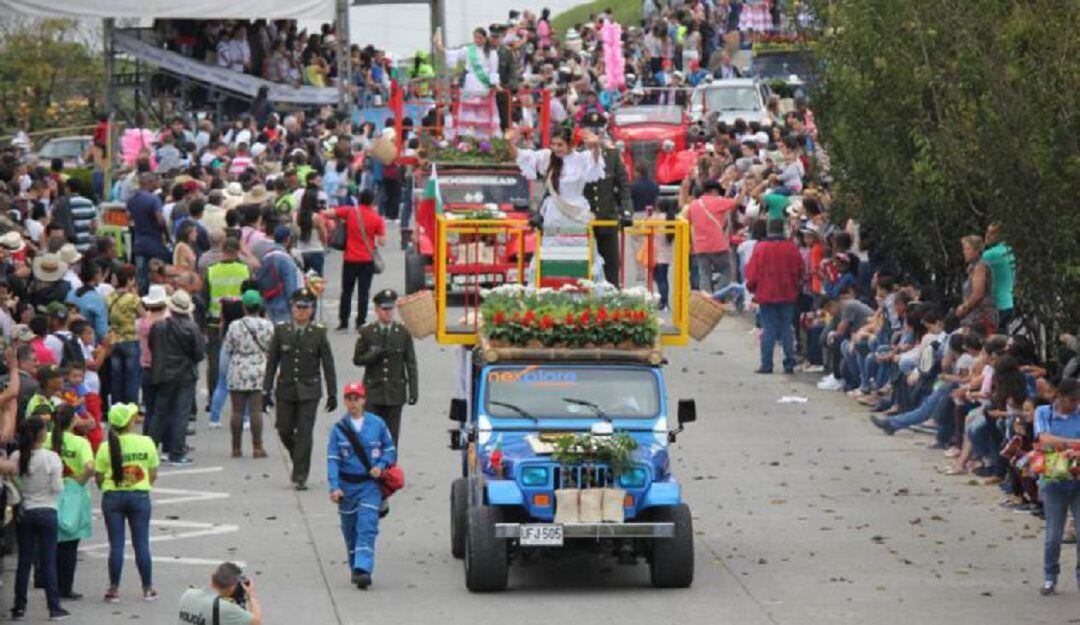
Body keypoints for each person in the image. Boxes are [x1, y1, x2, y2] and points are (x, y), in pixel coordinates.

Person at [506, 125, 604, 284]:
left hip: (576, 214)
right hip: (554, 212)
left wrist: (596, 145)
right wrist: (510, 143)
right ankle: (552, 287)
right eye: (553, 144)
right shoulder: (547, 157)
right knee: (552, 253)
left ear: (571, 144)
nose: (555, 148)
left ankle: (581, 288)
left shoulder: (581, 159)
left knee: (579, 255)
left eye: (560, 145)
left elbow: (595, 161)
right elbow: (522, 156)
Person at [264, 288, 337, 490]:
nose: (302, 311)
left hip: (309, 389)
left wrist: (332, 393)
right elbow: (272, 363)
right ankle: (299, 457)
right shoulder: (282, 331)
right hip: (286, 388)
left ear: (312, 309)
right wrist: (265, 390)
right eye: (298, 307)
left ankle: (300, 474)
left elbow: (328, 364)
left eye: (306, 307)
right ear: (292, 307)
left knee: (305, 432)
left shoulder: (318, 332)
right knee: (284, 429)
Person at [327, 382, 396, 589]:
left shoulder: (378, 424)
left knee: (367, 526)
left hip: (370, 486)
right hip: (347, 488)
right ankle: (355, 566)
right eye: (349, 398)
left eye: (357, 398)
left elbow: (390, 450)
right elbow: (333, 460)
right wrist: (334, 487)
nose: (353, 403)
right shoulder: (338, 430)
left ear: (364, 400)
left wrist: (381, 465)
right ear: (345, 401)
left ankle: (363, 569)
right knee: (350, 531)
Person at [1, 416, 69, 620]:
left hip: (26, 511)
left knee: (24, 561)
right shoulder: (51, 458)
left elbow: (13, 478)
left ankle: (19, 607)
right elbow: (57, 487)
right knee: (48, 562)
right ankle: (54, 607)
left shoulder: (16, 456)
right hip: (48, 511)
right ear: (42, 434)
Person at [95, 403, 158, 603]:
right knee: (141, 544)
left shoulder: (106, 447)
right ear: (130, 421)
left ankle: (113, 588)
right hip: (139, 495)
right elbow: (153, 472)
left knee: (116, 545)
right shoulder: (146, 442)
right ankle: (147, 588)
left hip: (113, 496)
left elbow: (99, 476)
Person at [353, 290, 418, 447]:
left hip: (395, 392)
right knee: (371, 436)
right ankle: (372, 469)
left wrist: (413, 391)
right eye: (384, 309)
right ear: (376, 309)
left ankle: (389, 470)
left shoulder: (402, 332)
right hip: (373, 392)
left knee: (391, 437)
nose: (388, 313)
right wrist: (373, 354)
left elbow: (410, 363)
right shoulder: (367, 331)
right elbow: (357, 359)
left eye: (391, 308)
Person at [1033, 378, 1080, 596]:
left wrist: (1062, 445)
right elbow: (1043, 440)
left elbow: (1052, 441)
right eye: (1072, 399)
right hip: (1053, 480)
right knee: (1053, 535)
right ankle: (1050, 576)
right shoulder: (1043, 412)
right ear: (1060, 396)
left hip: (1076, 478)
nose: (1075, 403)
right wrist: (1072, 443)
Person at [149, 290, 206, 466]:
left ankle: (149, 451)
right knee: (181, 413)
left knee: (159, 413)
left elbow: (153, 347)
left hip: (163, 373)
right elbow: (198, 354)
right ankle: (177, 452)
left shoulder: (158, 326)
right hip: (185, 374)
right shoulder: (192, 328)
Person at [45, 404, 94, 601]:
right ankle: (66, 587)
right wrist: (78, 481)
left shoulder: (48, 439)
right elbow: (90, 467)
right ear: (73, 420)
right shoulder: (80, 443)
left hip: (49, 492)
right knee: (70, 545)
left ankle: (51, 584)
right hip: (73, 495)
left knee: (51, 544)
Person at [745, 219, 804, 374]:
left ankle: (767, 364)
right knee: (786, 327)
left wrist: (752, 289)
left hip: (766, 292)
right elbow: (801, 269)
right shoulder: (791, 248)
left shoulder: (761, 248)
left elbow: (752, 272)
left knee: (768, 328)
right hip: (787, 292)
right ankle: (789, 362)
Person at [583, 116, 634, 286]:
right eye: (591, 130)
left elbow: (623, 186)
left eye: (598, 130)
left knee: (612, 264)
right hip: (583, 219)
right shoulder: (575, 155)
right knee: (582, 264)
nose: (595, 134)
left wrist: (627, 211)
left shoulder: (611, 155)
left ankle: (612, 303)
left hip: (607, 217)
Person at [223, 290, 274, 458]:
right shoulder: (267, 325)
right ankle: (257, 446)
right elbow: (271, 347)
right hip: (259, 368)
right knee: (255, 410)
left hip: (238, 367)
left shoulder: (235, 325)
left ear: (243, 307)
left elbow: (228, 347)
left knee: (237, 410)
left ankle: (236, 447)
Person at [329, 188, 385, 330]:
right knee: (363, 292)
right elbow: (382, 241)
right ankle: (360, 321)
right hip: (366, 260)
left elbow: (329, 213)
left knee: (346, 291)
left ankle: (343, 321)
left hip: (350, 258)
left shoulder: (349, 211)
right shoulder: (376, 218)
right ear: (372, 201)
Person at [204, 238, 251, 406]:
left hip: (216, 322)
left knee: (215, 362)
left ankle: (213, 400)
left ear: (222, 250)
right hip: (241, 321)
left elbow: (205, 298)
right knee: (242, 359)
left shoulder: (211, 271)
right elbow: (251, 295)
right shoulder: (245, 270)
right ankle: (243, 398)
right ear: (238, 251)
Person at [434, 27, 501, 138]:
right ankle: (467, 139)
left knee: (484, 116)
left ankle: (484, 139)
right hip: (470, 87)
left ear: (485, 38)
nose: (477, 40)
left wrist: (495, 84)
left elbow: (493, 71)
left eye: (480, 37)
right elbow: (453, 54)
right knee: (468, 115)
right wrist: (439, 47)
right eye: (475, 37)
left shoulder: (492, 53)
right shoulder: (469, 50)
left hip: (484, 88)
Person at [685, 180, 736, 294]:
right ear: (715, 191)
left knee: (704, 274)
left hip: (700, 245)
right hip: (717, 245)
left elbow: (687, 221)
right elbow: (735, 202)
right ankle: (718, 293)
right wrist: (744, 191)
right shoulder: (718, 201)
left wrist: (690, 242)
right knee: (727, 270)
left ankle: (706, 299)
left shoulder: (694, 204)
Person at [178, 562, 262, 625]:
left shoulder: (188, 594)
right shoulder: (226, 608)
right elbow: (257, 621)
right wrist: (251, 595)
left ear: (212, 578)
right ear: (232, 587)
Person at [107, 264, 142, 405]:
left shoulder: (110, 296)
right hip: (131, 339)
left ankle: (116, 406)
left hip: (114, 339)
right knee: (132, 377)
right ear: (130, 280)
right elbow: (142, 315)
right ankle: (131, 408)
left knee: (117, 377)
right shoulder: (132, 299)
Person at [256, 225, 302, 324]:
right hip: (283, 306)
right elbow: (290, 286)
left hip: (268, 302)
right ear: (288, 239)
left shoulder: (266, 256)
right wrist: (294, 305)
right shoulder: (286, 259)